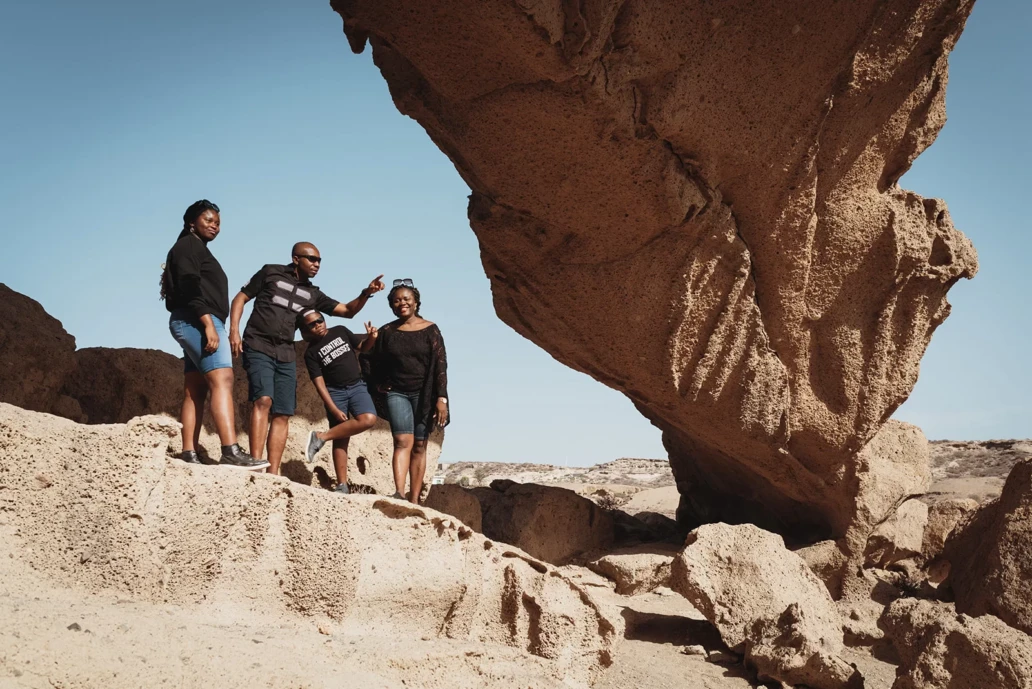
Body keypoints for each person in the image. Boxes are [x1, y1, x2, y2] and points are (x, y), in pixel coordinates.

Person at [229, 243, 384, 475]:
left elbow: (347, 311)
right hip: (258, 344)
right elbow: (240, 298)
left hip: (286, 352)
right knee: (263, 400)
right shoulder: (270, 272)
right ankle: (255, 465)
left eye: (319, 260)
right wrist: (233, 330)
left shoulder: (313, 294)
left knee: (283, 411)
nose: (316, 264)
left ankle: (272, 473)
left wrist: (366, 293)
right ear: (295, 259)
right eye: (311, 259)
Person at [161, 200, 267, 469]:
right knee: (224, 378)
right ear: (191, 222)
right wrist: (208, 324)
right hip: (197, 321)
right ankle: (230, 450)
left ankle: (188, 452)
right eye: (208, 220)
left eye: (218, 223)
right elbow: (189, 286)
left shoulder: (193, 249)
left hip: (192, 320)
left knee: (195, 389)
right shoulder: (187, 247)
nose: (214, 226)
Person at [366, 279, 449, 503]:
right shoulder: (386, 332)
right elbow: (369, 360)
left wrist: (441, 398)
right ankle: (399, 494)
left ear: (415, 302)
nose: (401, 303)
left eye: (406, 299)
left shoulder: (431, 330)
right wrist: (379, 384)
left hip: (425, 394)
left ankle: (414, 500)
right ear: (391, 305)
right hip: (398, 393)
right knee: (402, 441)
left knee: (420, 445)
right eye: (396, 300)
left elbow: (441, 364)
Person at [299, 309, 379, 493]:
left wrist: (372, 338)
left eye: (320, 320)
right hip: (335, 393)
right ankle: (342, 485)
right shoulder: (311, 352)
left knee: (368, 418)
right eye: (312, 324)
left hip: (357, 386)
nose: (318, 324)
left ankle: (320, 437)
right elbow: (319, 383)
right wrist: (332, 407)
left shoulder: (340, 331)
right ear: (305, 329)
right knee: (341, 438)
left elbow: (362, 347)